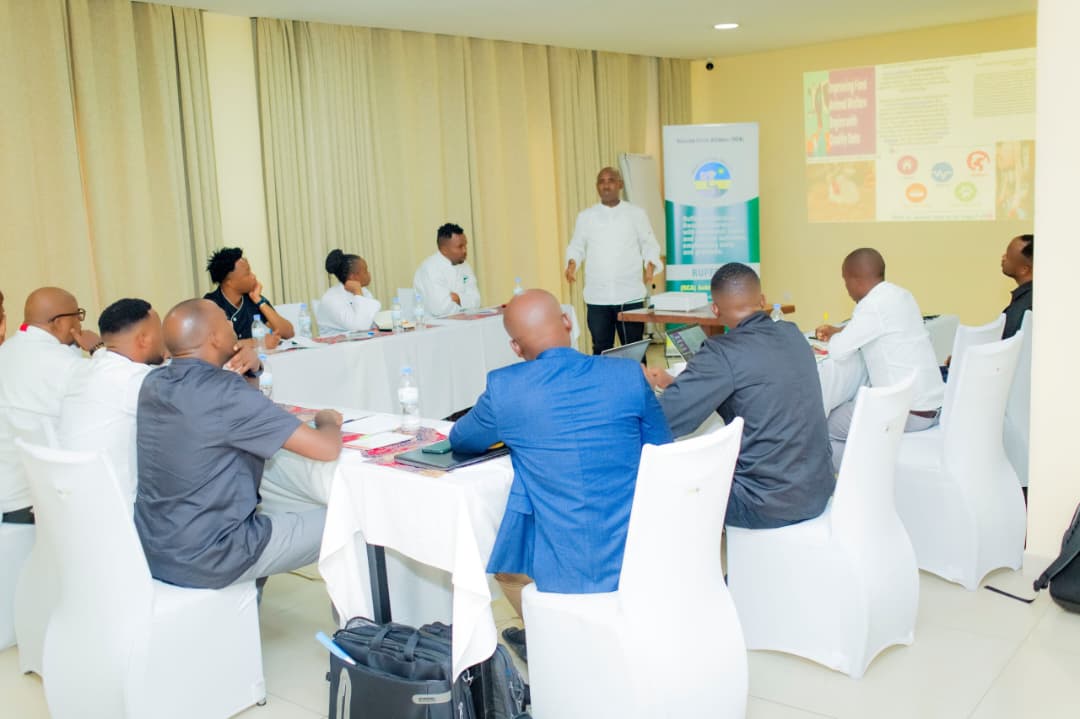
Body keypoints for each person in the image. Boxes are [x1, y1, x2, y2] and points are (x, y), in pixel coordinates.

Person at [450, 289, 672, 661]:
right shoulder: (627, 375)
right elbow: (663, 451)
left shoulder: (506, 388)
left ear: (516, 347)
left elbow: (462, 438)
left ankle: (548, 645)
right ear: (568, 322)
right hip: (641, 550)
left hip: (560, 566)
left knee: (506, 565)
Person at [134, 298, 341, 590]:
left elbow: (240, 412)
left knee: (273, 510)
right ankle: (360, 620)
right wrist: (328, 420)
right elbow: (326, 449)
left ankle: (249, 605)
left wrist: (252, 368)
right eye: (226, 321)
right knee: (348, 520)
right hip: (213, 554)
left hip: (156, 548)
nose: (233, 328)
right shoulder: (224, 392)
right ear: (215, 338)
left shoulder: (154, 383)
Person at [645, 263, 835, 529]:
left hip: (765, 503)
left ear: (715, 309)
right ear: (762, 300)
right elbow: (754, 385)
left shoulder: (721, 352)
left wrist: (643, 388)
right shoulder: (792, 333)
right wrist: (679, 383)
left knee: (668, 483)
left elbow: (667, 418)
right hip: (818, 488)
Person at [815, 248, 944, 470]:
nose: (846, 288)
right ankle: (872, 470)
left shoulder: (871, 305)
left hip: (906, 412)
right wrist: (841, 330)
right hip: (932, 406)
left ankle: (872, 473)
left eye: (845, 281)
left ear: (855, 279)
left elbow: (837, 351)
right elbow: (880, 327)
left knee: (822, 429)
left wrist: (837, 337)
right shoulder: (901, 295)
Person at [0, 287, 101, 522]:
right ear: (59, 322)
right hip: (42, 503)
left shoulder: (5, 352)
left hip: (7, 497)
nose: (80, 322)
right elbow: (113, 389)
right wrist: (98, 350)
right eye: (78, 315)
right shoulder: (67, 365)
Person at [58, 299, 165, 507]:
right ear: (143, 339)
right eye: (160, 331)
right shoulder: (135, 379)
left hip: (74, 507)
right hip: (118, 513)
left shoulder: (83, 372)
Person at [565, 167, 664, 354]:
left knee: (634, 349)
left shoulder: (636, 214)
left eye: (610, 180)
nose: (606, 185)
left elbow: (649, 244)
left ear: (620, 184)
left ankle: (636, 375)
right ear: (597, 187)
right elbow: (576, 246)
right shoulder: (586, 217)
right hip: (597, 297)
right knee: (601, 349)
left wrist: (650, 264)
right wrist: (572, 264)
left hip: (630, 295)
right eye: (601, 181)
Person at [204, 247, 294, 347]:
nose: (253, 276)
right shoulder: (210, 305)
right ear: (229, 282)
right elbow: (218, 346)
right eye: (247, 273)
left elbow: (288, 333)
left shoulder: (253, 299)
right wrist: (258, 342)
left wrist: (259, 301)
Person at [413, 223, 482, 317]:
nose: (465, 250)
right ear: (444, 249)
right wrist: (465, 301)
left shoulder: (465, 266)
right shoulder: (430, 268)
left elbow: (476, 301)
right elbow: (441, 309)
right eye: (460, 247)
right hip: (434, 324)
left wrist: (458, 298)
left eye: (465, 245)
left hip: (464, 321)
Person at [317, 249, 381, 335]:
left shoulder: (365, 291)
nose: (369, 274)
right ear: (352, 277)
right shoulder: (331, 298)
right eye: (365, 271)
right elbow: (359, 327)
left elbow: (373, 322)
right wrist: (358, 293)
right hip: (336, 343)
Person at [1000, 233, 1033, 339]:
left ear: (1023, 269)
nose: (1003, 257)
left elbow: (1007, 344)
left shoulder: (1022, 308)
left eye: (1009, 256)